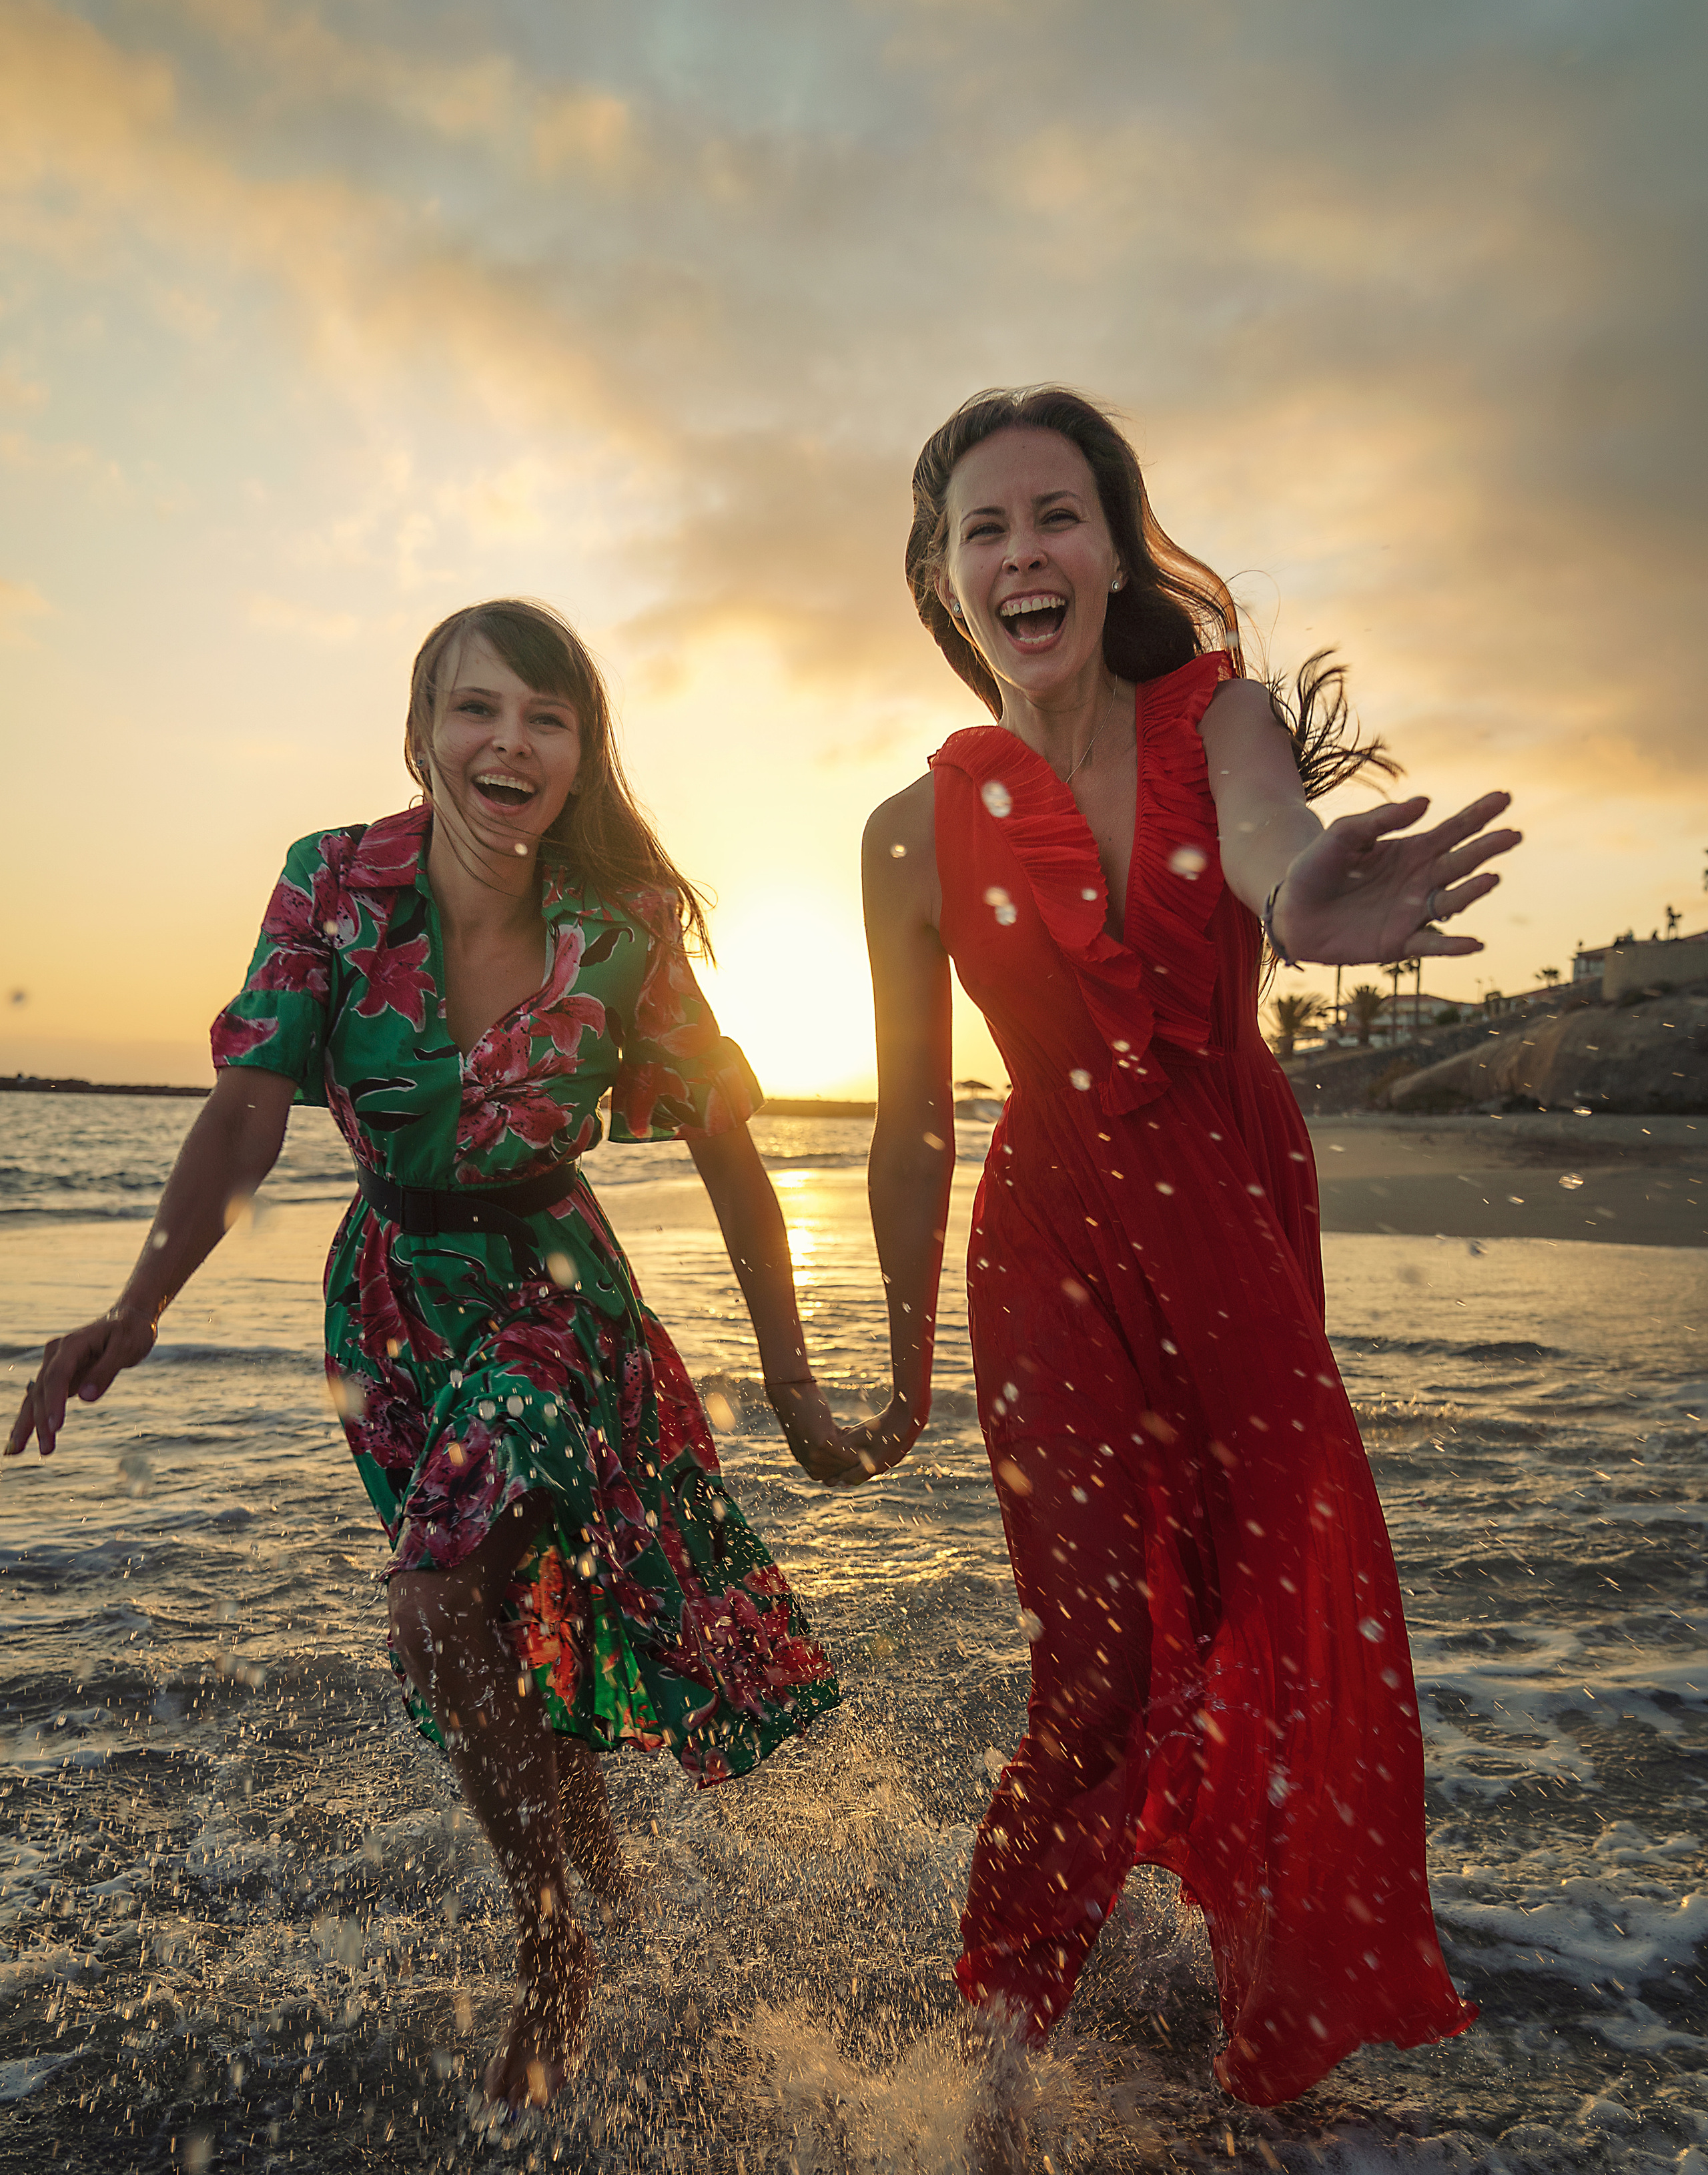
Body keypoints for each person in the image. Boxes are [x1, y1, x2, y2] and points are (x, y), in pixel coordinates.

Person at [7, 599, 855, 2108]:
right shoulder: (332, 884)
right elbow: (254, 1103)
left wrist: (788, 1378)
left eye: (545, 717)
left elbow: (726, 1135)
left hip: (551, 1296)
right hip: (393, 1305)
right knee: (499, 1632)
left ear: (581, 753)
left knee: (437, 1595)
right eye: (477, 711)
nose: (508, 743)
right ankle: (605, 1898)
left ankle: (553, 1949)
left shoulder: (623, 917)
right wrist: (137, 1309)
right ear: (421, 733)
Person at [851, 388, 1517, 2108]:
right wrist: (901, 1354)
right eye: (981, 530)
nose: (1021, 554)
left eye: (1053, 515)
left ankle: (1259, 2031)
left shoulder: (1213, 720)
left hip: (1225, 1207)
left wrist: (1302, 904)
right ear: (944, 581)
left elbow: (1280, 855)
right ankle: (995, 2061)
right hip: (1048, 1235)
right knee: (1092, 1653)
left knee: (1269, 1613)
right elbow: (914, 1122)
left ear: (1110, 542)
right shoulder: (907, 835)